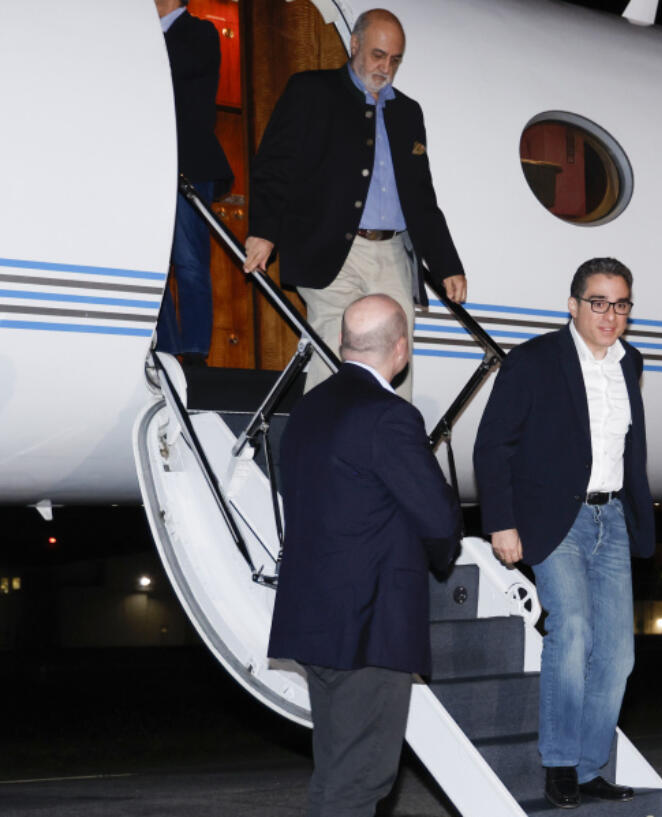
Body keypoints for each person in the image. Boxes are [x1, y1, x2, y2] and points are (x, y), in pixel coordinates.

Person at [268, 294, 461, 816]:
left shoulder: (307, 410)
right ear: (402, 349)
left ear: (341, 343)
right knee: (361, 782)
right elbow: (439, 519)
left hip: (317, 622)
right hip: (367, 627)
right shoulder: (389, 417)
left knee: (335, 775)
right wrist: (445, 548)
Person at [473, 258, 654, 809]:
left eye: (621, 304)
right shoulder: (533, 361)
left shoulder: (631, 363)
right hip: (557, 521)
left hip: (612, 520)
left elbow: (630, 449)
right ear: (573, 304)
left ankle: (589, 764)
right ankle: (558, 765)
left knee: (618, 654)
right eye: (598, 302)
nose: (610, 314)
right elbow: (492, 445)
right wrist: (502, 522)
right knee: (572, 629)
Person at [244, 7, 467, 398]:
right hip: (332, 250)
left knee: (396, 357)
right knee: (337, 348)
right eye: (378, 55)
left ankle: (388, 452)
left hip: (393, 254)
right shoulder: (310, 91)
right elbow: (274, 167)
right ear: (354, 44)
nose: (386, 66)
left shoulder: (409, 113)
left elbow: (421, 196)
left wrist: (447, 264)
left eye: (394, 60)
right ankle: (318, 453)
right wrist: (264, 231)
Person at [155, 0, 233, 364]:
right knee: (154, 264)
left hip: (188, 167)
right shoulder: (152, 37)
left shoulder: (200, 32)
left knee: (188, 263)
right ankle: (168, 350)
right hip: (151, 167)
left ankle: (197, 354)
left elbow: (173, 68)